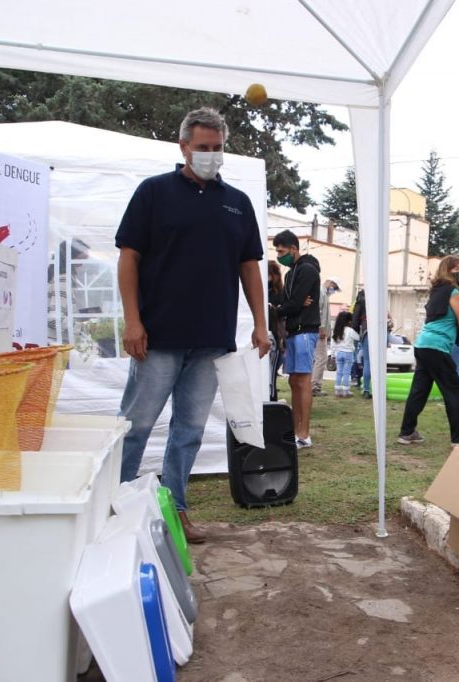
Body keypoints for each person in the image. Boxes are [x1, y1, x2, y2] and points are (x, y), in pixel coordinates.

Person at [116, 106, 270, 545]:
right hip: (157, 337)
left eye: (218, 148)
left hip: (211, 340)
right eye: (203, 147)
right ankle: (115, 507)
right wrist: (132, 321)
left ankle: (176, 510)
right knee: (136, 426)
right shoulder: (153, 192)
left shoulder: (237, 203)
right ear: (183, 146)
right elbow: (128, 257)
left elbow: (249, 267)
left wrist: (261, 324)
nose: (211, 155)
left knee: (189, 432)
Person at [397, 255, 459, 446]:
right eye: (456, 268)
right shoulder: (453, 292)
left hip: (423, 344)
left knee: (419, 390)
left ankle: (407, 432)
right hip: (437, 347)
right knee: (452, 390)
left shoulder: (435, 291)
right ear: (447, 270)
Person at [273, 229, 321, 449]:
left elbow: (291, 304)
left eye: (281, 251)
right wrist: (288, 306)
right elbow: (288, 302)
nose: (279, 255)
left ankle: (304, 434)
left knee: (302, 382)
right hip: (293, 332)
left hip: (304, 331)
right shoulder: (290, 273)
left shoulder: (307, 270)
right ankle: (295, 430)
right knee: (294, 382)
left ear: (294, 248)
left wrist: (284, 308)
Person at [312, 277, 341, 396]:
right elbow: (319, 312)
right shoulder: (321, 293)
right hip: (320, 331)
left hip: (320, 331)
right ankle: (315, 386)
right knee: (321, 358)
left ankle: (314, 385)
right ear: (329, 282)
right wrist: (322, 328)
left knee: (319, 359)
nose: (334, 290)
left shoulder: (324, 294)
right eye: (334, 287)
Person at [267, 260, 285, 402]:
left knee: (271, 376)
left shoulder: (279, 294)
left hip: (274, 336)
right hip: (266, 334)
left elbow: (281, 312)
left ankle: (271, 400)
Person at [331, 310, 359, 397]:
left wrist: (333, 354)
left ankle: (337, 390)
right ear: (349, 321)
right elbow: (358, 337)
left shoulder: (336, 331)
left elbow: (333, 344)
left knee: (339, 372)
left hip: (338, 353)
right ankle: (345, 391)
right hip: (348, 353)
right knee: (346, 373)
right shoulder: (350, 330)